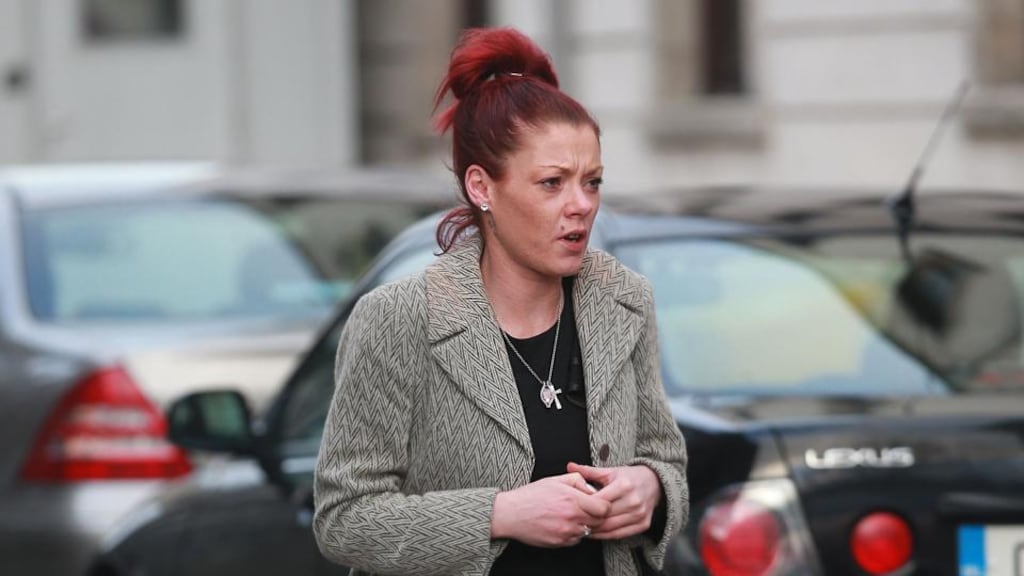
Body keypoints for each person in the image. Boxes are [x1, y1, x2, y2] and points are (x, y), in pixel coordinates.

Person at [313, 26, 688, 576]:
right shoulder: (400, 318)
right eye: (552, 183)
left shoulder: (624, 299)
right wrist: (500, 514)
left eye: (593, 181)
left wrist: (650, 490)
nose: (582, 205)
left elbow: (666, 457)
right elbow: (344, 519)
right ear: (482, 187)